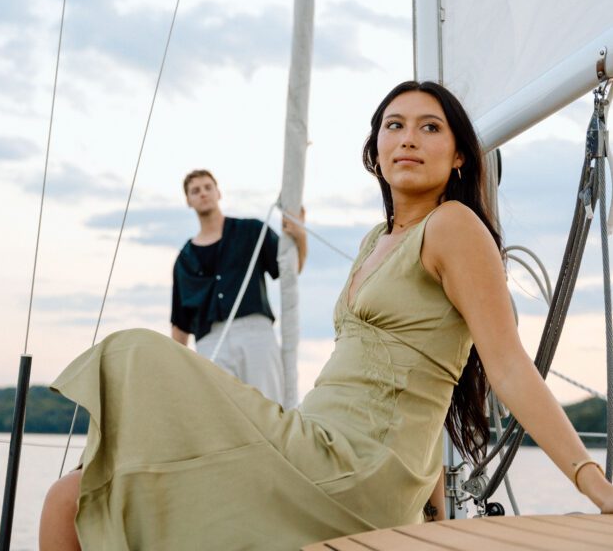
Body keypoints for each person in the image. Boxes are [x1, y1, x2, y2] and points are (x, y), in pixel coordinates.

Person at [40, 81, 613, 551]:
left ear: (459, 154)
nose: (409, 138)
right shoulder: (375, 241)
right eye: (395, 125)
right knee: (70, 500)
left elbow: (508, 366)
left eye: (430, 127)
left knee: (135, 352)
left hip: (352, 468)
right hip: (314, 442)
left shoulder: (454, 226)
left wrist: (594, 484)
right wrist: (433, 499)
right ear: (375, 150)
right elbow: (418, 377)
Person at [170, 169, 307, 401]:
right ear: (188, 201)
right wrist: (176, 373)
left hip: (255, 332)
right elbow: (180, 324)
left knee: (270, 407)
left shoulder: (251, 230)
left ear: (218, 193)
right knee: (220, 416)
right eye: (195, 190)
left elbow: (290, 271)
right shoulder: (184, 259)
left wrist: (301, 237)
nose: (203, 193)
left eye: (207, 187)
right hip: (210, 342)